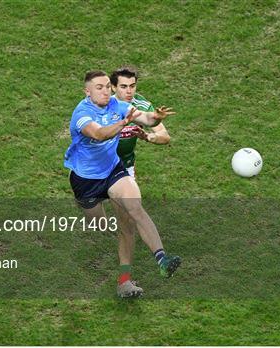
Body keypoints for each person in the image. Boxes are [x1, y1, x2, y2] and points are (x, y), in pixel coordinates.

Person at [64, 70, 181, 298]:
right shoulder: (82, 114)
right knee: (101, 226)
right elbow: (99, 134)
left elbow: (146, 119)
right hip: (86, 181)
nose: (106, 91)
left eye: (108, 86)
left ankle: (161, 260)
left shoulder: (117, 106)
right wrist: (123, 123)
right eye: (100, 87)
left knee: (134, 211)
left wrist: (155, 117)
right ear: (87, 91)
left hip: (113, 170)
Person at [109, 66, 172, 297]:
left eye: (132, 86)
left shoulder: (142, 107)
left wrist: (148, 136)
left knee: (127, 222)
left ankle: (125, 281)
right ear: (113, 87)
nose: (129, 91)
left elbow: (165, 136)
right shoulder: (102, 106)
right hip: (95, 169)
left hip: (122, 169)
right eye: (123, 87)